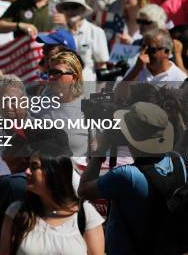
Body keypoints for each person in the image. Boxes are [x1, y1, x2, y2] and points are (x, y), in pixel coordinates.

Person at [78, 102, 187, 254]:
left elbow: (83, 190)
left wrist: (100, 151)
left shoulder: (126, 176)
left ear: (128, 136)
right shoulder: (178, 161)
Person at [0, 144, 105, 255]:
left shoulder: (86, 215)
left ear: (54, 172)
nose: (27, 171)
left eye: (34, 167)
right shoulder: (17, 212)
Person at [56, 0, 109, 81]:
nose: (70, 11)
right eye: (66, 7)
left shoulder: (96, 32)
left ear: (83, 9)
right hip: (63, 87)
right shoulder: (58, 32)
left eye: (74, 7)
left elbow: (101, 66)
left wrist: (101, 91)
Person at [122, 28, 187, 83]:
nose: (143, 53)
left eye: (151, 49)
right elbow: (119, 95)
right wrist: (136, 70)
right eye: (143, 47)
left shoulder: (179, 78)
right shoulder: (136, 68)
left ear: (166, 52)